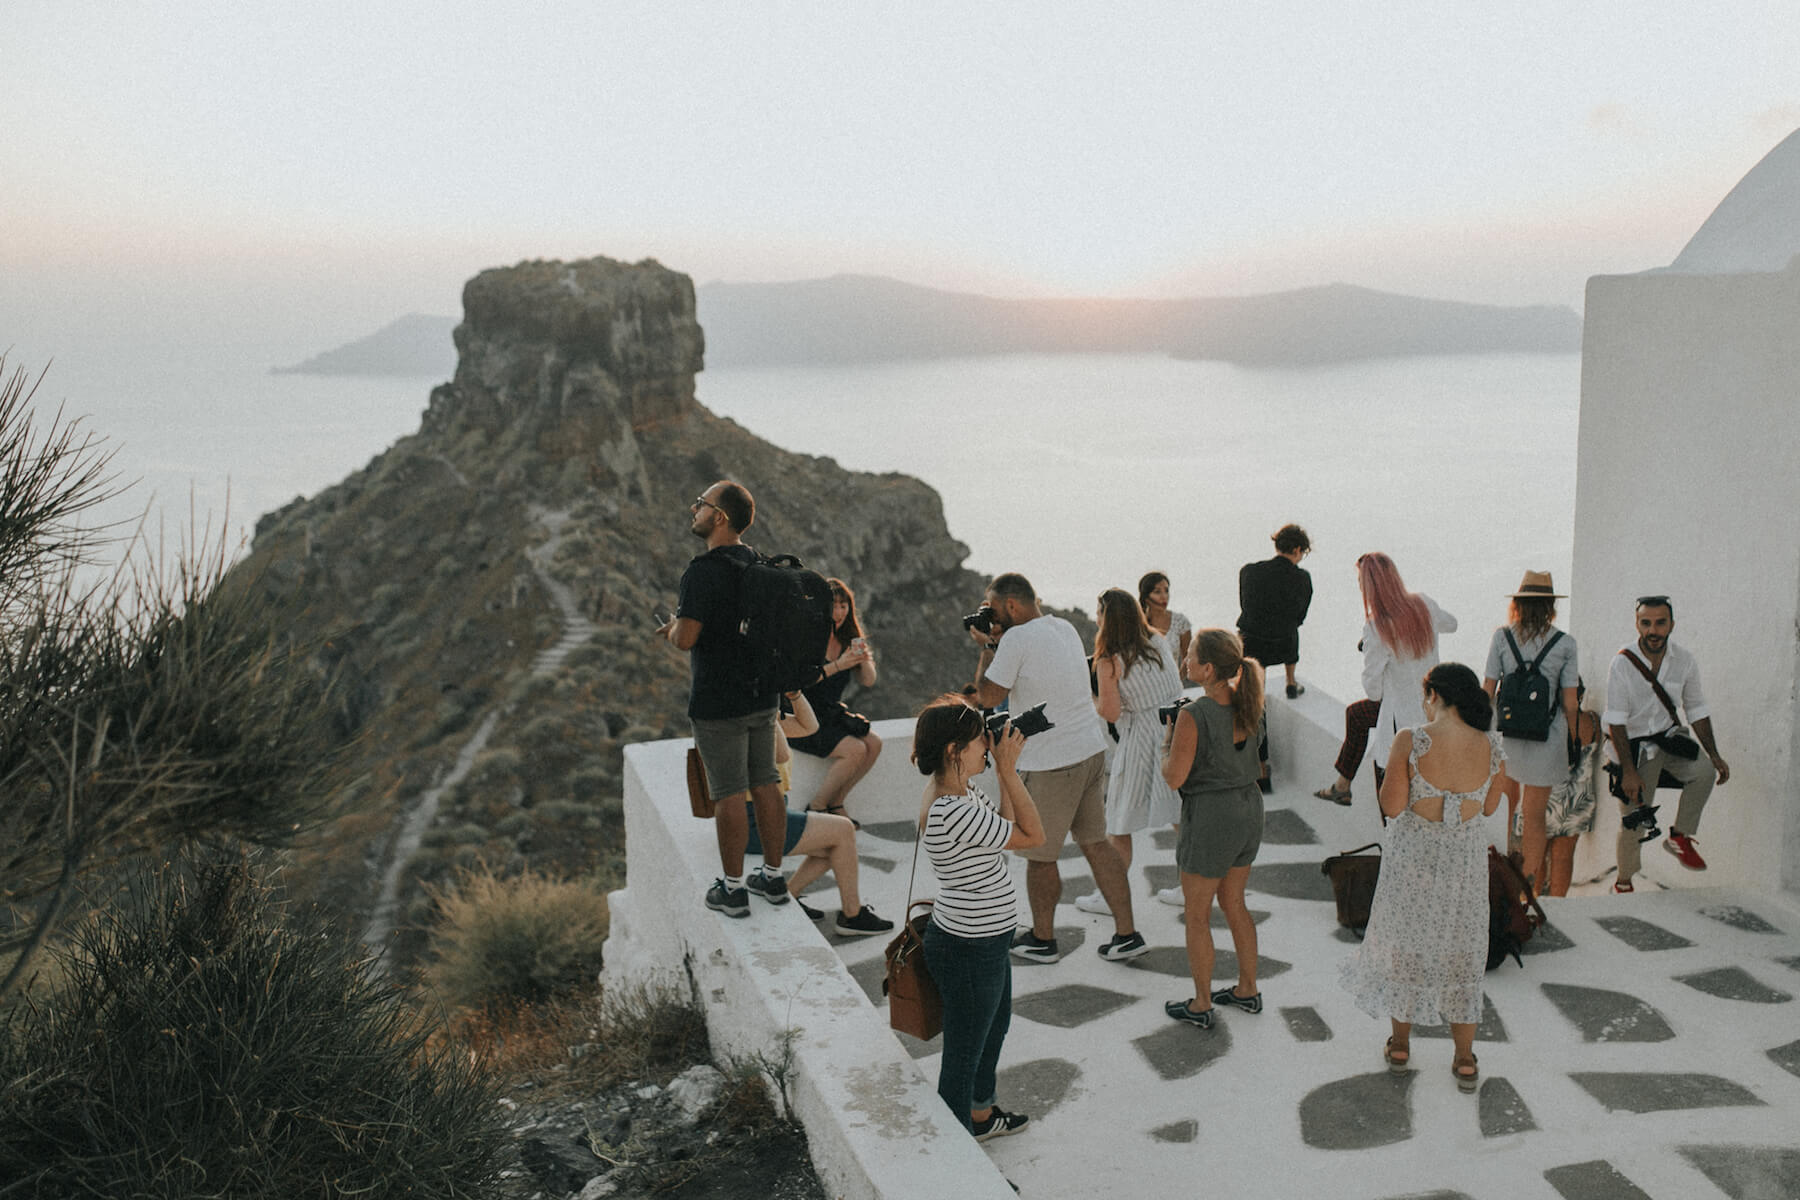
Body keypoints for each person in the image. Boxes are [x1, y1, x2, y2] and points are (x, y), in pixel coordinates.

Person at [1338, 663, 1506, 1093]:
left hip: (1415, 860)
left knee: (1407, 947)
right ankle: (1464, 1058)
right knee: (1462, 952)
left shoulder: (1411, 740)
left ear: (1432, 695)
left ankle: (1399, 1045)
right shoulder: (1492, 744)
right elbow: (1487, 809)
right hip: (1464, 865)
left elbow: (1393, 806)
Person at [970, 573, 1148, 963]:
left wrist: (987, 648)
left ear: (1012, 606)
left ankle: (1043, 939)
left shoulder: (1014, 639)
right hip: (1089, 751)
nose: (992, 617)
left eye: (995, 610)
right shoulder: (1064, 628)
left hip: (1051, 763)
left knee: (1039, 856)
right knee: (1097, 845)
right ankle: (1127, 934)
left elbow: (987, 696)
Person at [913, 696, 1044, 1142]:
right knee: (963, 1057)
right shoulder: (954, 811)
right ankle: (958, 1162)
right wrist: (1007, 769)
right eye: (977, 741)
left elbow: (1006, 827)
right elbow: (1033, 835)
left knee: (994, 1029)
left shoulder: (960, 792)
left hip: (983, 940)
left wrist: (1003, 773)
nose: (986, 747)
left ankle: (982, 1117)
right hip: (969, 947)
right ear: (954, 750)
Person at [657, 480, 787, 917]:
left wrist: (674, 626)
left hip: (719, 702)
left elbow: (686, 639)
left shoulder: (702, 571)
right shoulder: (760, 562)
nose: (694, 509)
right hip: (762, 694)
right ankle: (773, 877)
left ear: (720, 517)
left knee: (729, 792)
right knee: (766, 782)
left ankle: (732, 891)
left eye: (701, 504)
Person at [1159, 629, 1267, 1028]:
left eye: (1189, 656)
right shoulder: (1250, 702)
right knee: (1235, 902)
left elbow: (1174, 777)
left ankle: (1202, 1003)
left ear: (1207, 668)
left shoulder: (1194, 714)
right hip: (1248, 808)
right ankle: (1247, 988)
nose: (1184, 662)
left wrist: (1165, 742)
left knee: (1197, 914)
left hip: (1211, 818)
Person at [1603, 595, 1731, 891]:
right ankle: (1624, 882)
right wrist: (1629, 771)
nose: (1653, 630)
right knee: (1635, 819)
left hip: (1669, 740)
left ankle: (1680, 836)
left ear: (1671, 624)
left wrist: (1714, 755)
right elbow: (1616, 721)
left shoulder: (1684, 660)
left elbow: (1697, 709)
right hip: (1633, 747)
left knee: (1704, 772)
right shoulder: (1622, 663)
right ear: (1637, 624)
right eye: (1646, 623)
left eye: (1660, 623)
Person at [750, 691, 893, 935]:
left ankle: (789, 895)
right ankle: (852, 914)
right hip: (757, 822)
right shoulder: (752, 722)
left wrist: (794, 693)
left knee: (837, 846)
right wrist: (769, 713)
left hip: (771, 815)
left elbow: (809, 726)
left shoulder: (763, 718)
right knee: (843, 831)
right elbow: (782, 753)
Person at [1076, 588, 1183, 916]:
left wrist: (1089, 698)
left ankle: (1110, 896)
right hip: (1174, 730)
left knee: (1119, 822)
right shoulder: (1158, 642)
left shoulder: (1109, 659)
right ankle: (1192, 887)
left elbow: (1109, 712)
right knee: (1182, 816)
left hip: (1140, 739)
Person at [1480, 571, 1578, 893]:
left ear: (1517, 604)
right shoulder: (1565, 644)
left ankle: (1501, 880)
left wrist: (1482, 734)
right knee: (1534, 817)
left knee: (1505, 806)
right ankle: (1528, 889)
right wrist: (1573, 739)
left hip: (1506, 734)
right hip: (1546, 736)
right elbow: (1570, 702)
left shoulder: (1501, 638)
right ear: (1551, 606)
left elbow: (1488, 689)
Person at [789, 577, 882, 823]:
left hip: (829, 713)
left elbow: (869, 680)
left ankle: (836, 802)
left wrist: (862, 658)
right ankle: (817, 807)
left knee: (874, 745)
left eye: (844, 605)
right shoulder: (806, 638)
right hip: (800, 717)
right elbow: (799, 681)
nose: (839, 612)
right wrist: (839, 665)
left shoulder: (848, 639)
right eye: (833, 605)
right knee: (855, 750)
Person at [1358, 552, 1458, 753]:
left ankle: (1343, 783)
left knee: (1391, 777)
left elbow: (1373, 691)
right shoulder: (1424, 603)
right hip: (1432, 712)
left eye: (1360, 581)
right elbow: (1452, 624)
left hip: (1400, 723)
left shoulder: (1376, 627)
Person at [1237, 523, 1313, 700]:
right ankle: (1291, 681)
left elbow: (1245, 605)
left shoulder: (1250, 571)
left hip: (1252, 641)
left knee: (1255, 638)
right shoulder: (1301, 578)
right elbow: (1300, 615)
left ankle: (1257, 687)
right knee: (1291, 628)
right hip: (1283, 642)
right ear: (1297, 549)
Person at [1313, 698, 1380, 806]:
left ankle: (1342, 784)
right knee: (1356, 714)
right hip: (1409, 708)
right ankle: (1342, 784)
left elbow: (1373, 689)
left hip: (1400, 711)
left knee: (1355, 715)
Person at [1138, 572, 1193, 679]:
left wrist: (1177, 680)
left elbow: (1189, 658)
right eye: (1157, 592)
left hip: (1173, 687)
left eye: (1166, 591)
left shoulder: (1180, 621)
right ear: (1146, 596)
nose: (1164, 596)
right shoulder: (1138, 624)